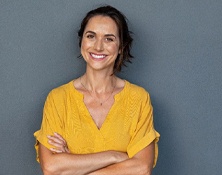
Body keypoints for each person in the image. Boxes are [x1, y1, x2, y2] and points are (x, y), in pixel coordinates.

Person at [34, 5, 160, 175]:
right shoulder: (58, 99)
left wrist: (75, 167)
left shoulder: (138, 99)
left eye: (109, 39)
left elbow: (142, 169)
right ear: (82, 42)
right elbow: (51, 168)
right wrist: (114, 156)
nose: (98, 47)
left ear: (121, 47)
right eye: (91, 36)